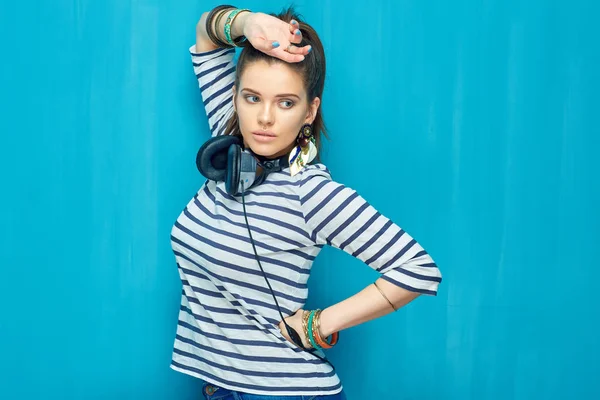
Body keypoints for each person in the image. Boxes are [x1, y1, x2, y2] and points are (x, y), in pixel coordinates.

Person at [169, 5, 442, 399]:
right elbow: (207, 39)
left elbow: (418, 269)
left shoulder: (311, 194)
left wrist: (318, 323)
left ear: (309, 111)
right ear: (236, 98)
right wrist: (248, 23)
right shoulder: (229, 144)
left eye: (285, 103)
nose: (264, 118)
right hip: (221, 388)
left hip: (283, 392)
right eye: (251, 98)